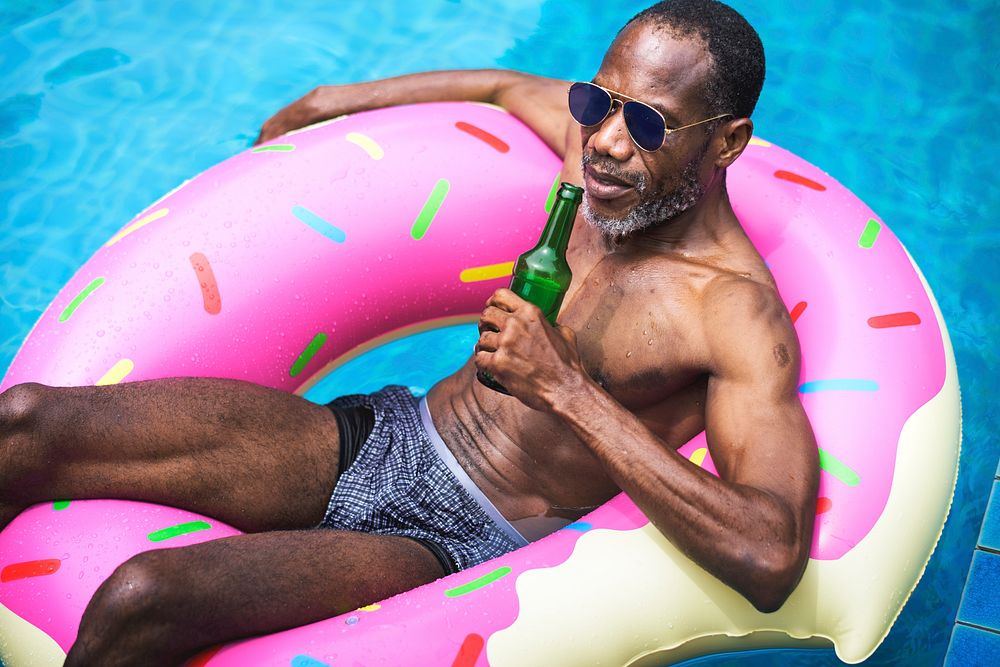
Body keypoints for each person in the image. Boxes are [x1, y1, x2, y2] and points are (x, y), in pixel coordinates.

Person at [0, 1, 818, 664]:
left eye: (645, 124)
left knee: (143, 596)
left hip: (456, 538)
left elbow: (770, 553)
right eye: (596, 101)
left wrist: (566, 390)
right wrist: (329, 103)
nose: (602, 141)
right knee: (25, 421)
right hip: (385, 431)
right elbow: (499, 85)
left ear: (727, 142)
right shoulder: (597, 161)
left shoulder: (732, 311)